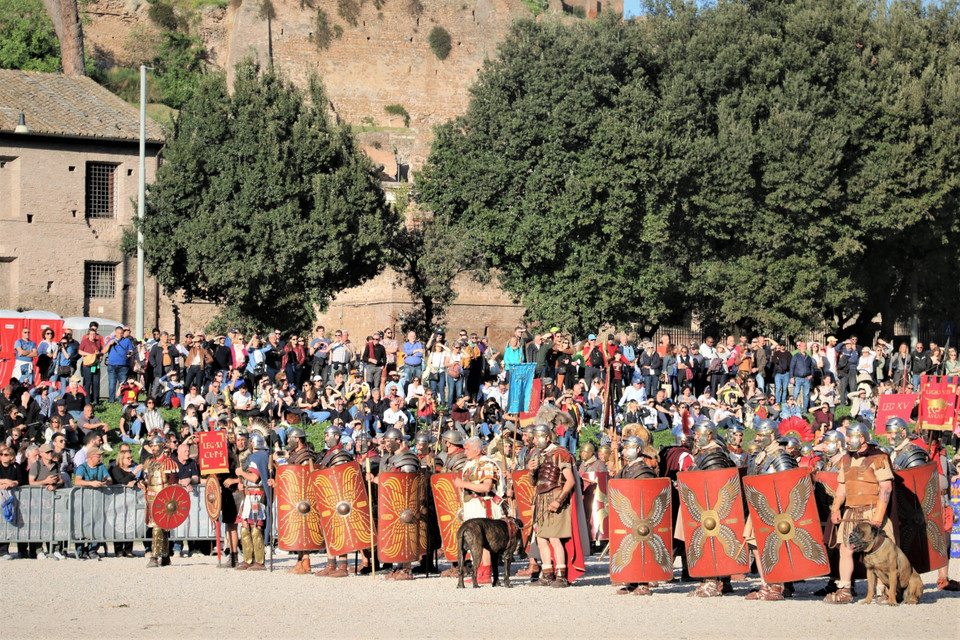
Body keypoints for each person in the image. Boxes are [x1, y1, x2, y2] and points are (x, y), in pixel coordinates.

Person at [824, 423, 894, 603]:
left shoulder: (878, 458)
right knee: (845, 551)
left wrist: (878, 516)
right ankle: (845, 590)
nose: (846, 440)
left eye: (849, 437)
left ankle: (881, 591)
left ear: (861, 438)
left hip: (871, 512)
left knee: (877, 553)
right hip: (851, 513)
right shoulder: (846, 460)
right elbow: (841, 488)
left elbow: (886, 487)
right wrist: (835, 508)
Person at [527, 423, 577, 587]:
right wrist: (530, 470)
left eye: (536, 437)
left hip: (555, 495)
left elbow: (570, 481)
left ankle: (561, 575)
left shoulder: (560, 453)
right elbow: (533, 482)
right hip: (541, 498)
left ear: (547, 437)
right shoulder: (537, 455)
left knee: (555, 539)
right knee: (541, 538)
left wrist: (559, 499)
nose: (533, 440)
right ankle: (547, 574)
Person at [453, 436, 505, 584]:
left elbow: (486, 487)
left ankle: (485, 573)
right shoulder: (471, 463)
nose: (465, 452)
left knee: (484, 540)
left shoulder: (487, 463)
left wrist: (463, 484)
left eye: (467, 449)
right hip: (474, 507)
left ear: (477, 449)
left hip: (485, 506)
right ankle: (479, 570)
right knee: (476, 539)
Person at [314, 425, 354, 577]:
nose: (325, 439)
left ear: (336, 436)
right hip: (328, 497)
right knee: (328, 530)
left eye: (327, 436)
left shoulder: (341, 455)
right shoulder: (329, 454)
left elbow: (343, 478)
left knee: (340, 530)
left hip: (339, 498)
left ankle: (342, 566)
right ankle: (331, 564)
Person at [141, 433, 180, 567]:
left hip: (163, 498)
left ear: (162, 446)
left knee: (159, 527)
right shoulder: (151, 462)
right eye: (151, 446)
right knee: (158, 527)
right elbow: (149, 480)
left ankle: (154, 556)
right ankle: (165, 556)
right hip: (151, 497)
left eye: (155, 446)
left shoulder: (168, 462)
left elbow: (173, 483)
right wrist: (144, 485)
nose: (153, 448)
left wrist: (170, 499)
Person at [285, 427, 317, 574]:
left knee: (305, 530)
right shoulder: (295, 454)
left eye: (289, 438)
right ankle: (299, 561)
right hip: (295, 496)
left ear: (297, 439)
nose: (287, 441)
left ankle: (306, 562)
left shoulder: (306, 455)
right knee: (297, 529)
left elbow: (307, 475)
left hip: (305, 496)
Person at [235, 433, 270, 571]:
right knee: (245, 527)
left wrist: (241, 473)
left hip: (256, 495)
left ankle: (259, 561)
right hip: (249, 494)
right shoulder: (257, 456)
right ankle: (248, 560)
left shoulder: (257, 457)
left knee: (255, 528)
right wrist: (242, 483)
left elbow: (255, 477)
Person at [73, 446, 113, 558]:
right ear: (91, 457)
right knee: (82, 525)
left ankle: (93, 549)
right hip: (83, 502)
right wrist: (91, 483)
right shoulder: (82, 467)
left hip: (98, 501)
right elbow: (77, 481)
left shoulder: (101, 467)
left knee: (98, 524)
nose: (100, 458)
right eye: (98, 456)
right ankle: (80, 550)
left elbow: (109, 479)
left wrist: (107, 482)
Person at [109, 446, 142, 557]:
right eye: (128, 458)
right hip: (118, 501)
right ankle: (118, 549)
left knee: (130, 524)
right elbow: (122, 481)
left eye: (131, 457)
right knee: (118, 524)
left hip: (131, 501)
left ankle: (128, 549)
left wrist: (136, 482)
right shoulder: (116, 469)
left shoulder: (132, 468)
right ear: (121, 459)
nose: (131, 459)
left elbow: (136, 481)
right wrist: (134, 473)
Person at [103, 326, 134, 403]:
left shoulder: (127, 341)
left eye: (121, 333)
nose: (120, 335)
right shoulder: (111, 340)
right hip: (112, 365)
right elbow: (103, 351)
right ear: (115, 333)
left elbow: (131, 350)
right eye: (118, 333)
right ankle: (111, 400)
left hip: (123, 366)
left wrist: (130, 354)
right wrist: (110, 343)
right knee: (112, 383)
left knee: (122, 383)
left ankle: (121, 400)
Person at [0, 445, 20, 559]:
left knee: (7, 523)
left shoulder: (15, 467)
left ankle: (4, 550)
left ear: (12, 456)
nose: (3, 456)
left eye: (5, 454)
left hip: (9, 498)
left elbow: (21, 479)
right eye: (1, 454)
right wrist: (5, 481)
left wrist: (13, 483)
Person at [78, 327, 104, 405]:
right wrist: (89, 354)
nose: (93, 336)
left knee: (96, 383)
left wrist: (99, 355)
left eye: (94, 334)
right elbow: (79, 351)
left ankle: (96, 399)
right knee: (88, 383)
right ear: (88, 335)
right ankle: (87, 400)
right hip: (87, 365)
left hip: (96, 364)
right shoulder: (84, 341)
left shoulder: (98, 342)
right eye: (91, 334)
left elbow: (101, 351)